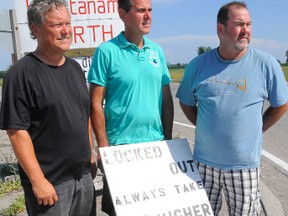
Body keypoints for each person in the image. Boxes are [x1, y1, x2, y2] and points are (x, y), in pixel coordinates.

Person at [176, 1, 288, 216]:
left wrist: (258, 127)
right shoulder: (198, 65)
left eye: (248, 24)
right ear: (221, 29)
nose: (246, 30)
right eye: (239, 24)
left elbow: (281, 103)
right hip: (204, 164)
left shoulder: (266, 64)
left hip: (244, 166)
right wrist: (205, 125)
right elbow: (187, 102)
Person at [0, 0, 96, 215]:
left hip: (83, 178)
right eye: (57, 25)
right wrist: (38, 180)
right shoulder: (21, 74)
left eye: (68, 24)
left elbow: (84, 115)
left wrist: (90, 153)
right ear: (36, 29)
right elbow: (16, 131)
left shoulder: (74, 69)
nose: (66, 31)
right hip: (51, 186)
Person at [88, 0, 174, 215]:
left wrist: (169, 141)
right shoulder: (107, 52)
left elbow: (166, 99)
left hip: (154, 146)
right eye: (141, 10)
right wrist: (104, 149)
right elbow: (95, 103)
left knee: (155, 208)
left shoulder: (157, 51)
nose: (148, 16)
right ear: (123, 15)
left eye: (150, 10)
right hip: (120, 148)